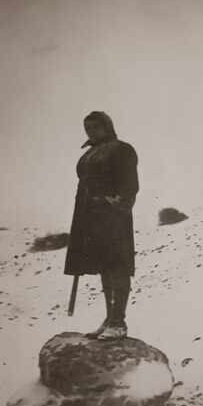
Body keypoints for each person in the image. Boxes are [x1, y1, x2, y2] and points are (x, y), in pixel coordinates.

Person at [64, 111, 139, 340]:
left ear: (107, 126)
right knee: (104, 267)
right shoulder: (88, 155)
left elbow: (130, 186)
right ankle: (109, 319)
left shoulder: (121, 149)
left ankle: (119, 322)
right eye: (87, 129)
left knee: (118, 266)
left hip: (113, 217)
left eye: (95, 128)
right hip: (91, 219)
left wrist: (113, 203)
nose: (91, 132)